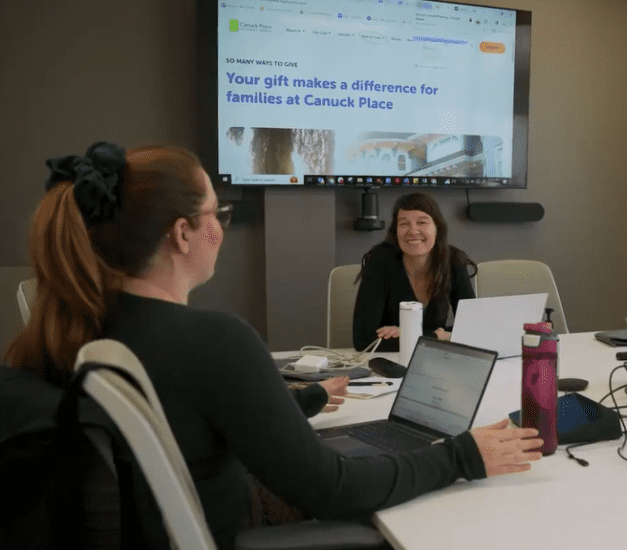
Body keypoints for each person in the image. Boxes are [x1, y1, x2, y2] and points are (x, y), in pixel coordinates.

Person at [4, 142, 542, 550]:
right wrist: (463, 454)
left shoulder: (75, 328)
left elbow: (197, 415)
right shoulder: (213, 341)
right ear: (182, 234)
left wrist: (303, 401)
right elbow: (332, 489)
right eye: (218, 214)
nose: (221, 228)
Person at [352, 192, 475, 352]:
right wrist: (436, 337)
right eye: (404, 224)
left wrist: (409, 335)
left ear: (437, 227)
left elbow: (472, 328)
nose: (413, 231)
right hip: (389, 362)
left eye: (422, 222)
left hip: (436, 360)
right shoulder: (379, 261)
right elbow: (364, 340)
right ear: (395, 230)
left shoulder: (453, 260)